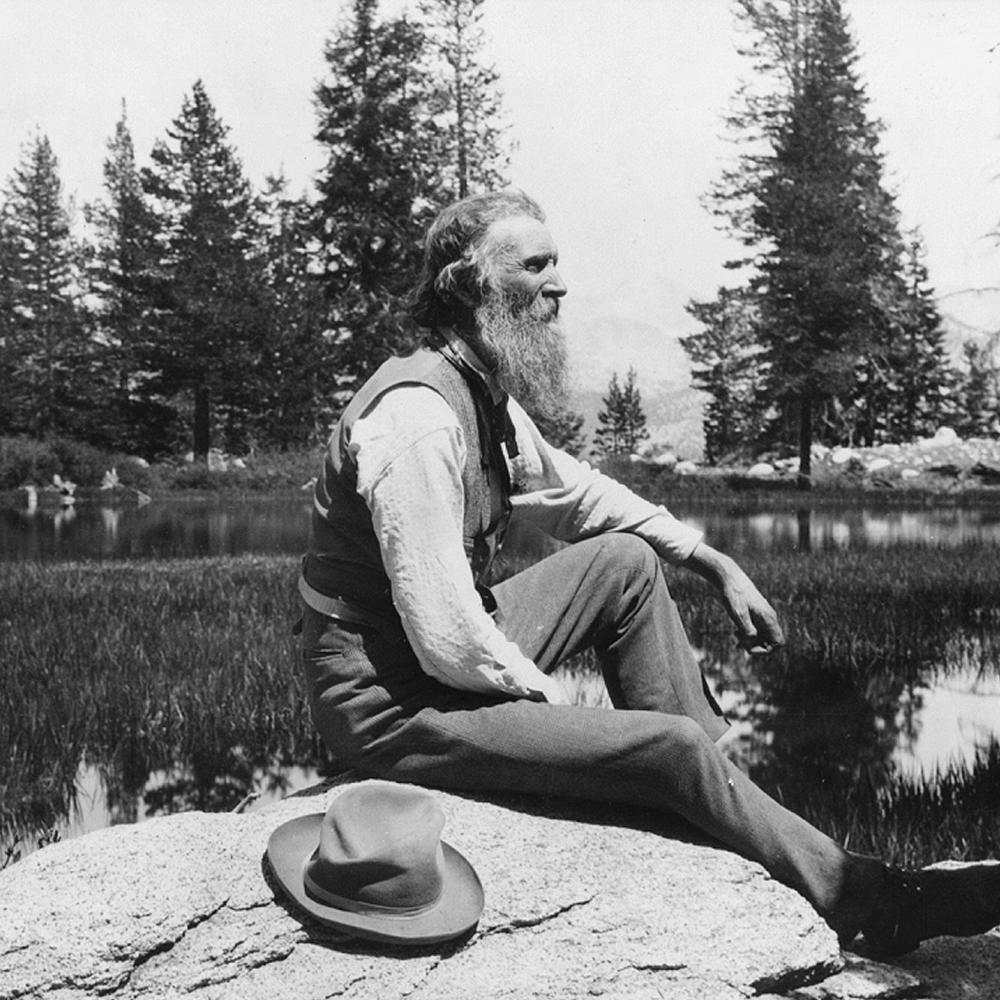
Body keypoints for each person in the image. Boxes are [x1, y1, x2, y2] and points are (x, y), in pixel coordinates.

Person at [298, 188, 1000, 957]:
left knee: (627, 564)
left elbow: (577, 496)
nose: (559, 284)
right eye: (536, 266)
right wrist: (555, 715)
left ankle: (708, 798)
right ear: (469, 288)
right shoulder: (418, 417)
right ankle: (865, 899)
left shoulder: (479, 389)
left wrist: (710, 559)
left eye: (557, 263)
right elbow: (445, 636)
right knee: (662, 747)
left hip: (432, 653)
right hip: (387, 699)